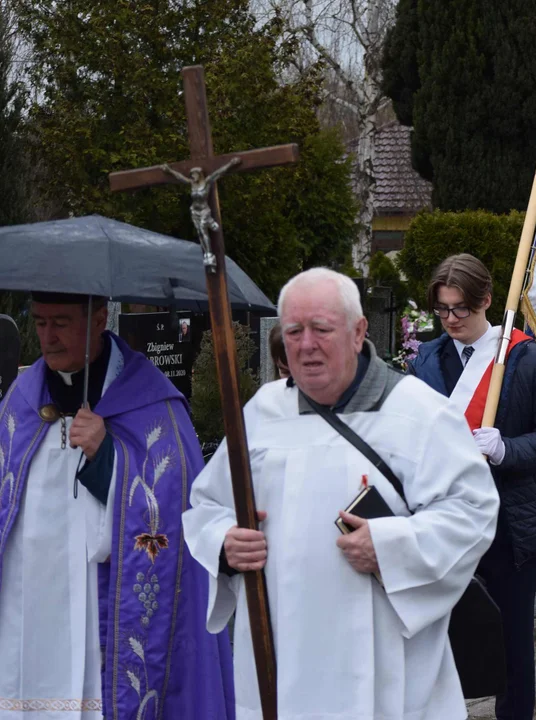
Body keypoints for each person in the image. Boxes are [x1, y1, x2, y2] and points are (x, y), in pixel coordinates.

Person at [183, 268, 499, 720]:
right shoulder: (261, 413)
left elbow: (474, 511)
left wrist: (391, 547)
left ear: (357, 332)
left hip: (385, 663)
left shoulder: (418, 412)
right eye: (293, 331)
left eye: (321, 330)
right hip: (282, 657)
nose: (306, 344)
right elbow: (208, 505)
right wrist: (224, 542)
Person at [0, 292, 234, 719]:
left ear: (99, 319)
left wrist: (108, 454)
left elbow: (172, 510)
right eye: (39, 322)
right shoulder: (21, 399)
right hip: (29, 596)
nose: (47, 338)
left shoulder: (151, 402)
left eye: (61, 323)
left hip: (101, 601)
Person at [408, 253, 536, 720]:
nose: (450, 320)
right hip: (442, 522)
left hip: (509, 525)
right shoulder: (425, 360)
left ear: (486, 300)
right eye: (441, 310)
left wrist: (507, 449)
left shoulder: (528, 359)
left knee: (513, 647)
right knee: (433, 642)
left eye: (460, 308)